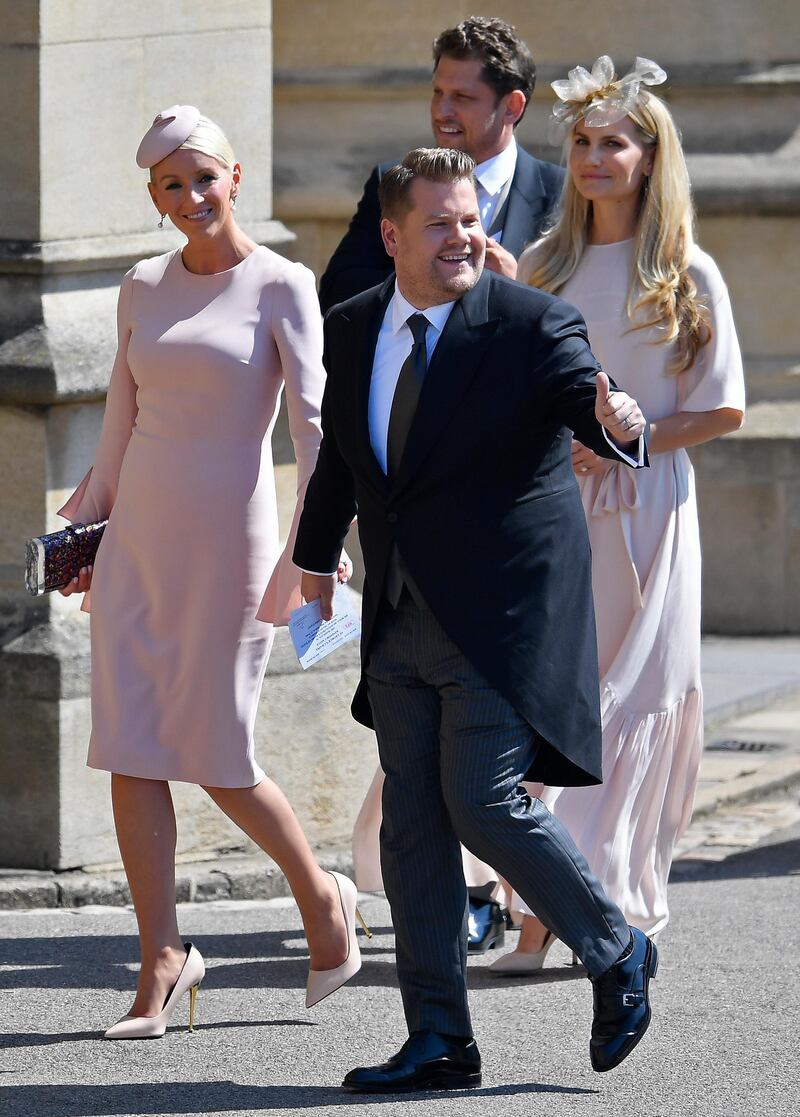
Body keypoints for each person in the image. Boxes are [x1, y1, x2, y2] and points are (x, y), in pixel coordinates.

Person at [295, 146, 659, 1093]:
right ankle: (439, 1040)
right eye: (440, 223)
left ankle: (615, 947)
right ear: (391, 236)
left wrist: (617, 421)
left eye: (470, 219)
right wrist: (311, 560)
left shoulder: (531, 323)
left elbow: (597, 411)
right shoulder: (354, 324)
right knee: (412, 825)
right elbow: (343, 452)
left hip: (500, 614)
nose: (465, 236)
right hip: (399, 611)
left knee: (484, 799)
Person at [59, 106, 365, 1038]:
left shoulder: (281, 284)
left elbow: (315, 428)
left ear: (235, 177)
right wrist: (84, 526)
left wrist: (322, 545)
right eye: (169, 185)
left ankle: (322, 899)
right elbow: (119, 422)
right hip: (140, 543)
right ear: (153, 199)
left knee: (220, 754)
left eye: (203, 178)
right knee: (130, 747)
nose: (190, 197)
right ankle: (163, 954)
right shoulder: (140, 287)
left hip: (235, 546)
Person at [491, 56, 745, 976]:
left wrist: (623, 444)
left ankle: (612, 904)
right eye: (585, 142)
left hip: (646, 507)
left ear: (650, 159)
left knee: (629, 694)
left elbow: (723, 408)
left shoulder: (687, 274)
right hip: (554, 507)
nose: (595, 158)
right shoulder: (544, 264)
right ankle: (534, 917)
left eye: (615, 144)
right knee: (549, 700)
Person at [318, 15, 563, 313]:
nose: (441, 111)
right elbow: (339, 291)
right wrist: (436, 278)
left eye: (462, 97)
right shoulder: (394, 181)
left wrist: (518, 289)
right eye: (438, 93)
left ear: (512, 106)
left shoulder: (563, 193)